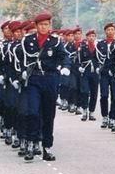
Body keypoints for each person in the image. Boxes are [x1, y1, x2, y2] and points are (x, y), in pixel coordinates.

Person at [21, 11, 71, 162]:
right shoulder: (27, 40)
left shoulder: (55, 41)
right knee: (33, 112)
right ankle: (31, 143)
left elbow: (65, 56)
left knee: (49, 115)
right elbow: (23, 60)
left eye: (46, 24)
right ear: (36, 26)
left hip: (50, 79)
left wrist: (65, 67)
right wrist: (22, 73)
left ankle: (46, 147)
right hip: (34, 79)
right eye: (41, 25)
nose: (44, 27)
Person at [78, 30, 100, 122]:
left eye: (93, 36)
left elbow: (101, 59)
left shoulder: (98, 47)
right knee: (85, 92)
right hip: (85, 72)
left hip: (95, 72)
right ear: (86, 37)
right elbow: (78, 60)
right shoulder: (82, 48)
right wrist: (79, 67)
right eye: (89, 36)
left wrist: (99, 68)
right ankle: (84, 110)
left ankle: (91, 111)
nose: (91, 37)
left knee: (94, 92)